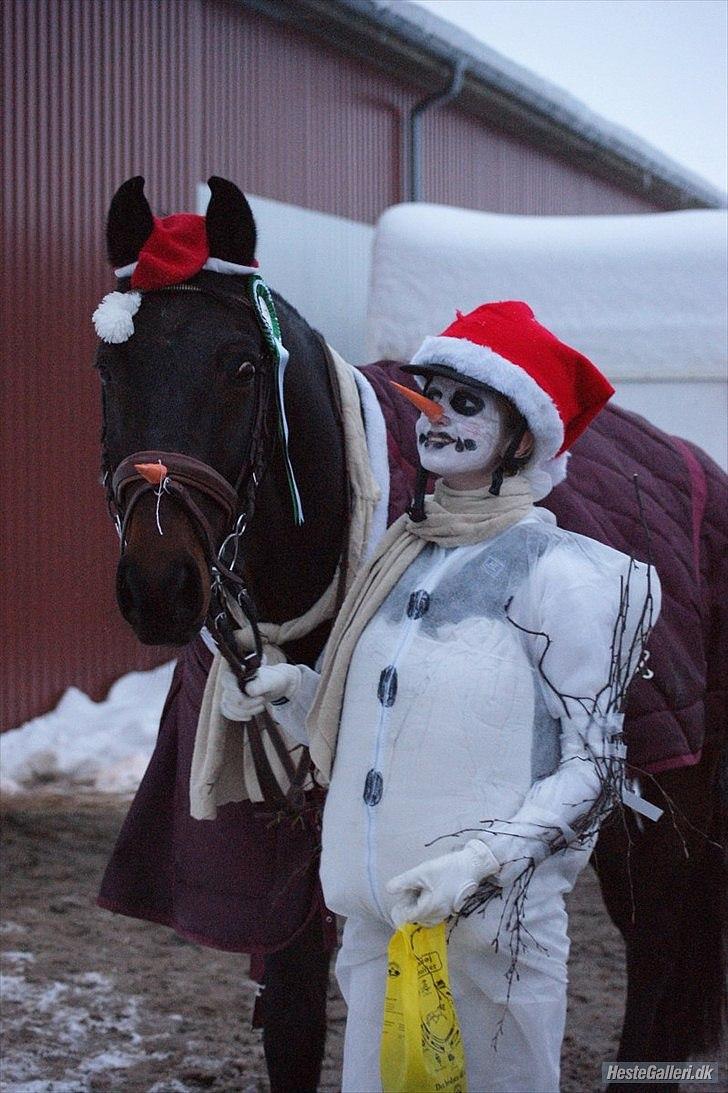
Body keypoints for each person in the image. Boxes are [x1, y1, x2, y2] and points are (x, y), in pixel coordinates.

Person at [220, 301, 661, 1092]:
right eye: (428, 394)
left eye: (466, 402)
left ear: (521, 434)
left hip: (489, 945)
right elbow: (383, 722)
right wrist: (296, 692)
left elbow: (596, 769)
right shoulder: (402, 552)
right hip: (376, 927)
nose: (436, 416)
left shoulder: (568, 575)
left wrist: (483, 864)